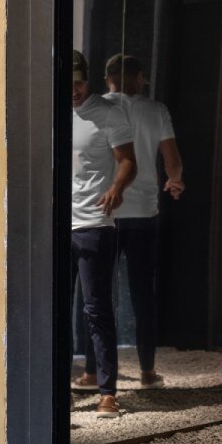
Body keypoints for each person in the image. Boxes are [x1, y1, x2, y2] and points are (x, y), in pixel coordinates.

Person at [75, 54, 183, 390]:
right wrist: (175, 180)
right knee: (141, 295)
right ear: (138, 77)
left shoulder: (99, 108)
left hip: (101, 214)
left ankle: (91, 372)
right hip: (142, 212)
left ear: (105, 78)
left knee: (95, 296)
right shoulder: (155, 110)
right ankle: (147, 370)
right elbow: (172, 159)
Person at [70, 50, 137, 418]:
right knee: (52, 310)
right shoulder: (48, 111)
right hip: (54, 225)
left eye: (79, 83)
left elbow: (128, 160)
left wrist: (116, 187)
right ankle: (58, 386)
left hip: (94, 223)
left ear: (88, 80)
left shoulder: (107, 113)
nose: (74, 90)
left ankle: (107, 392)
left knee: (96, 308)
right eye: (68, 83)